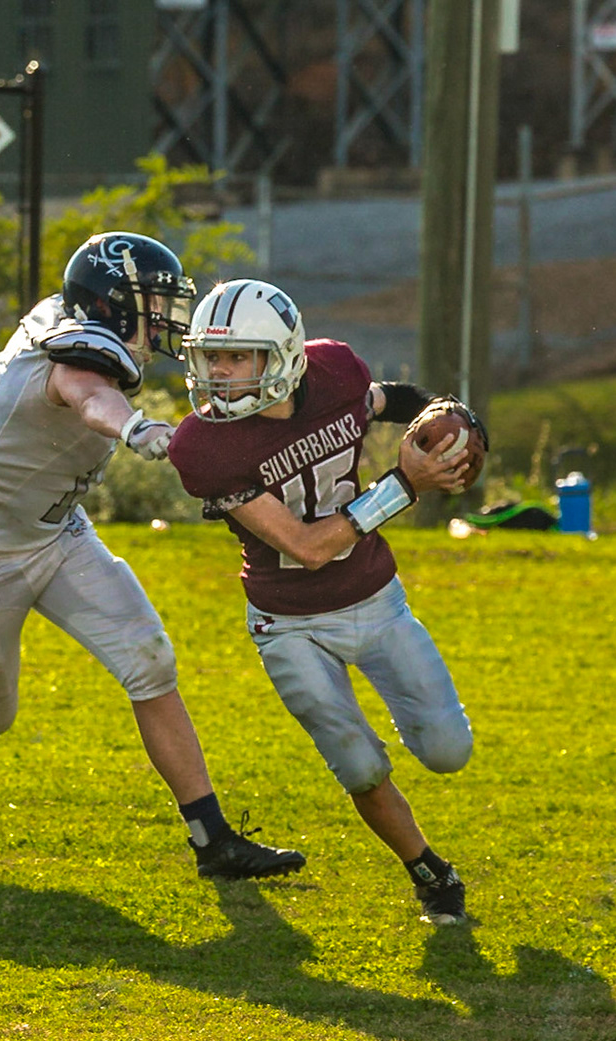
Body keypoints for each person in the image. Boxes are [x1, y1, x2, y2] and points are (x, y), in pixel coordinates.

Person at [0, 232, 306, 881]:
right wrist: (134, 427)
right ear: (114, 303)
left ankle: (212, 840)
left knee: (149, 659)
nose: (166, 317)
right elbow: (86, 393)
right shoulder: (75, 349)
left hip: (55, 532)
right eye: (154, 303)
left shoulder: (76, 321)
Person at [164, 277, 481, 925]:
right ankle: (430, 871)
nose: (217, 372)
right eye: (210, 357)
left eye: (237, 357)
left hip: (374, 599)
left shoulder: (334, 372)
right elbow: (308, 548)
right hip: (288, 624)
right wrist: (405, 483)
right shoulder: (203, 446)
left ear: (284, 357)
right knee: (360, 765)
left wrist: (448, 419)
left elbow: (388, 401)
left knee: (449, 750)